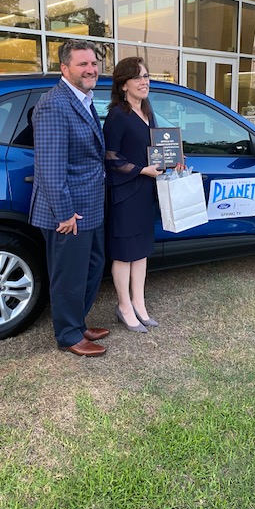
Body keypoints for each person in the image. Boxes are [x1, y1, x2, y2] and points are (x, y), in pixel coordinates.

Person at [29, 39, 109, 357]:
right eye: (82, 64)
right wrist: (64, 213)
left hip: (90, 206)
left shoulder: (84, 99)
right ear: (65, 68)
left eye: (93, 63)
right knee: (69, 276)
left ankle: (76, 321)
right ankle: (68, 335)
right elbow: (49, 168)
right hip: (68, 213)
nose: (91, 69)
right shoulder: (54, 104)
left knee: (92, 266)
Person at [103, 56, 163, 332]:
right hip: (125, 194)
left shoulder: (147, 112)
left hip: (144, 193)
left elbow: (156, 148)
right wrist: (142, 170)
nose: (144, 82)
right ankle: (124, 306)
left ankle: (139, 304)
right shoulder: (117, 115)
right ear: (123, 84)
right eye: (137, 77)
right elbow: (111, 157)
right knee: (124, 254)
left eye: (146, 76)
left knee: (141, 252)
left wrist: (173, 160)